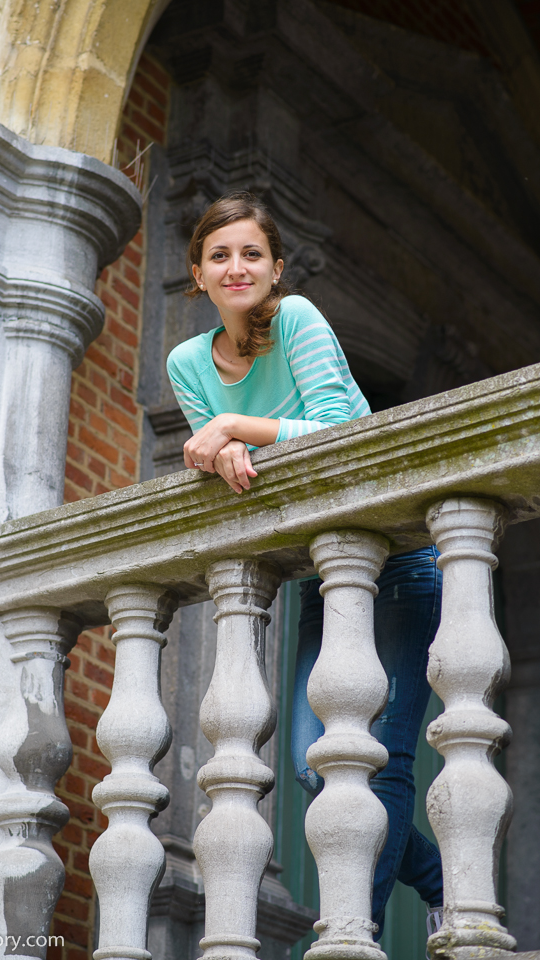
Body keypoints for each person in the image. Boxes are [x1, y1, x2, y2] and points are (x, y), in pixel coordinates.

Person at [166, 192, 444, 943]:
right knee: (311, 765)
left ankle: (352, 933)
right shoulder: (188, 362)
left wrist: (233, 426)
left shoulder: (296, 319)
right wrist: (225, 444)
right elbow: (219, 461)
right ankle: (441, 882)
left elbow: (340, 427)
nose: (236, 267)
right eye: (219, 255)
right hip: (327, 571)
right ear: (197, 273)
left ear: (276, 267)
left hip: (399, 559)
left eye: (251, 253)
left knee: (380, 761)